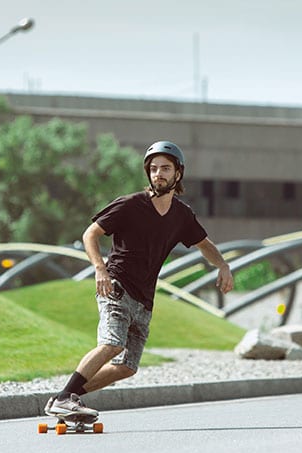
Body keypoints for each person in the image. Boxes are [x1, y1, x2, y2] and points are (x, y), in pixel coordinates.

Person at [45, 140, 235, 418]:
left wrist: (223, 266)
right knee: (112, 343)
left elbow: (204, 244)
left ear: (177, 174)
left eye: (165, 169)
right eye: (154, 168)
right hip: (117, 286)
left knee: (127, 367)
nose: (158, 174)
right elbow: (90, 234)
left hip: (145, 299)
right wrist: (100, 268)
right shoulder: (130, 205)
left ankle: (66, 396)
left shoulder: (181, 216)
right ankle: (64, 398)